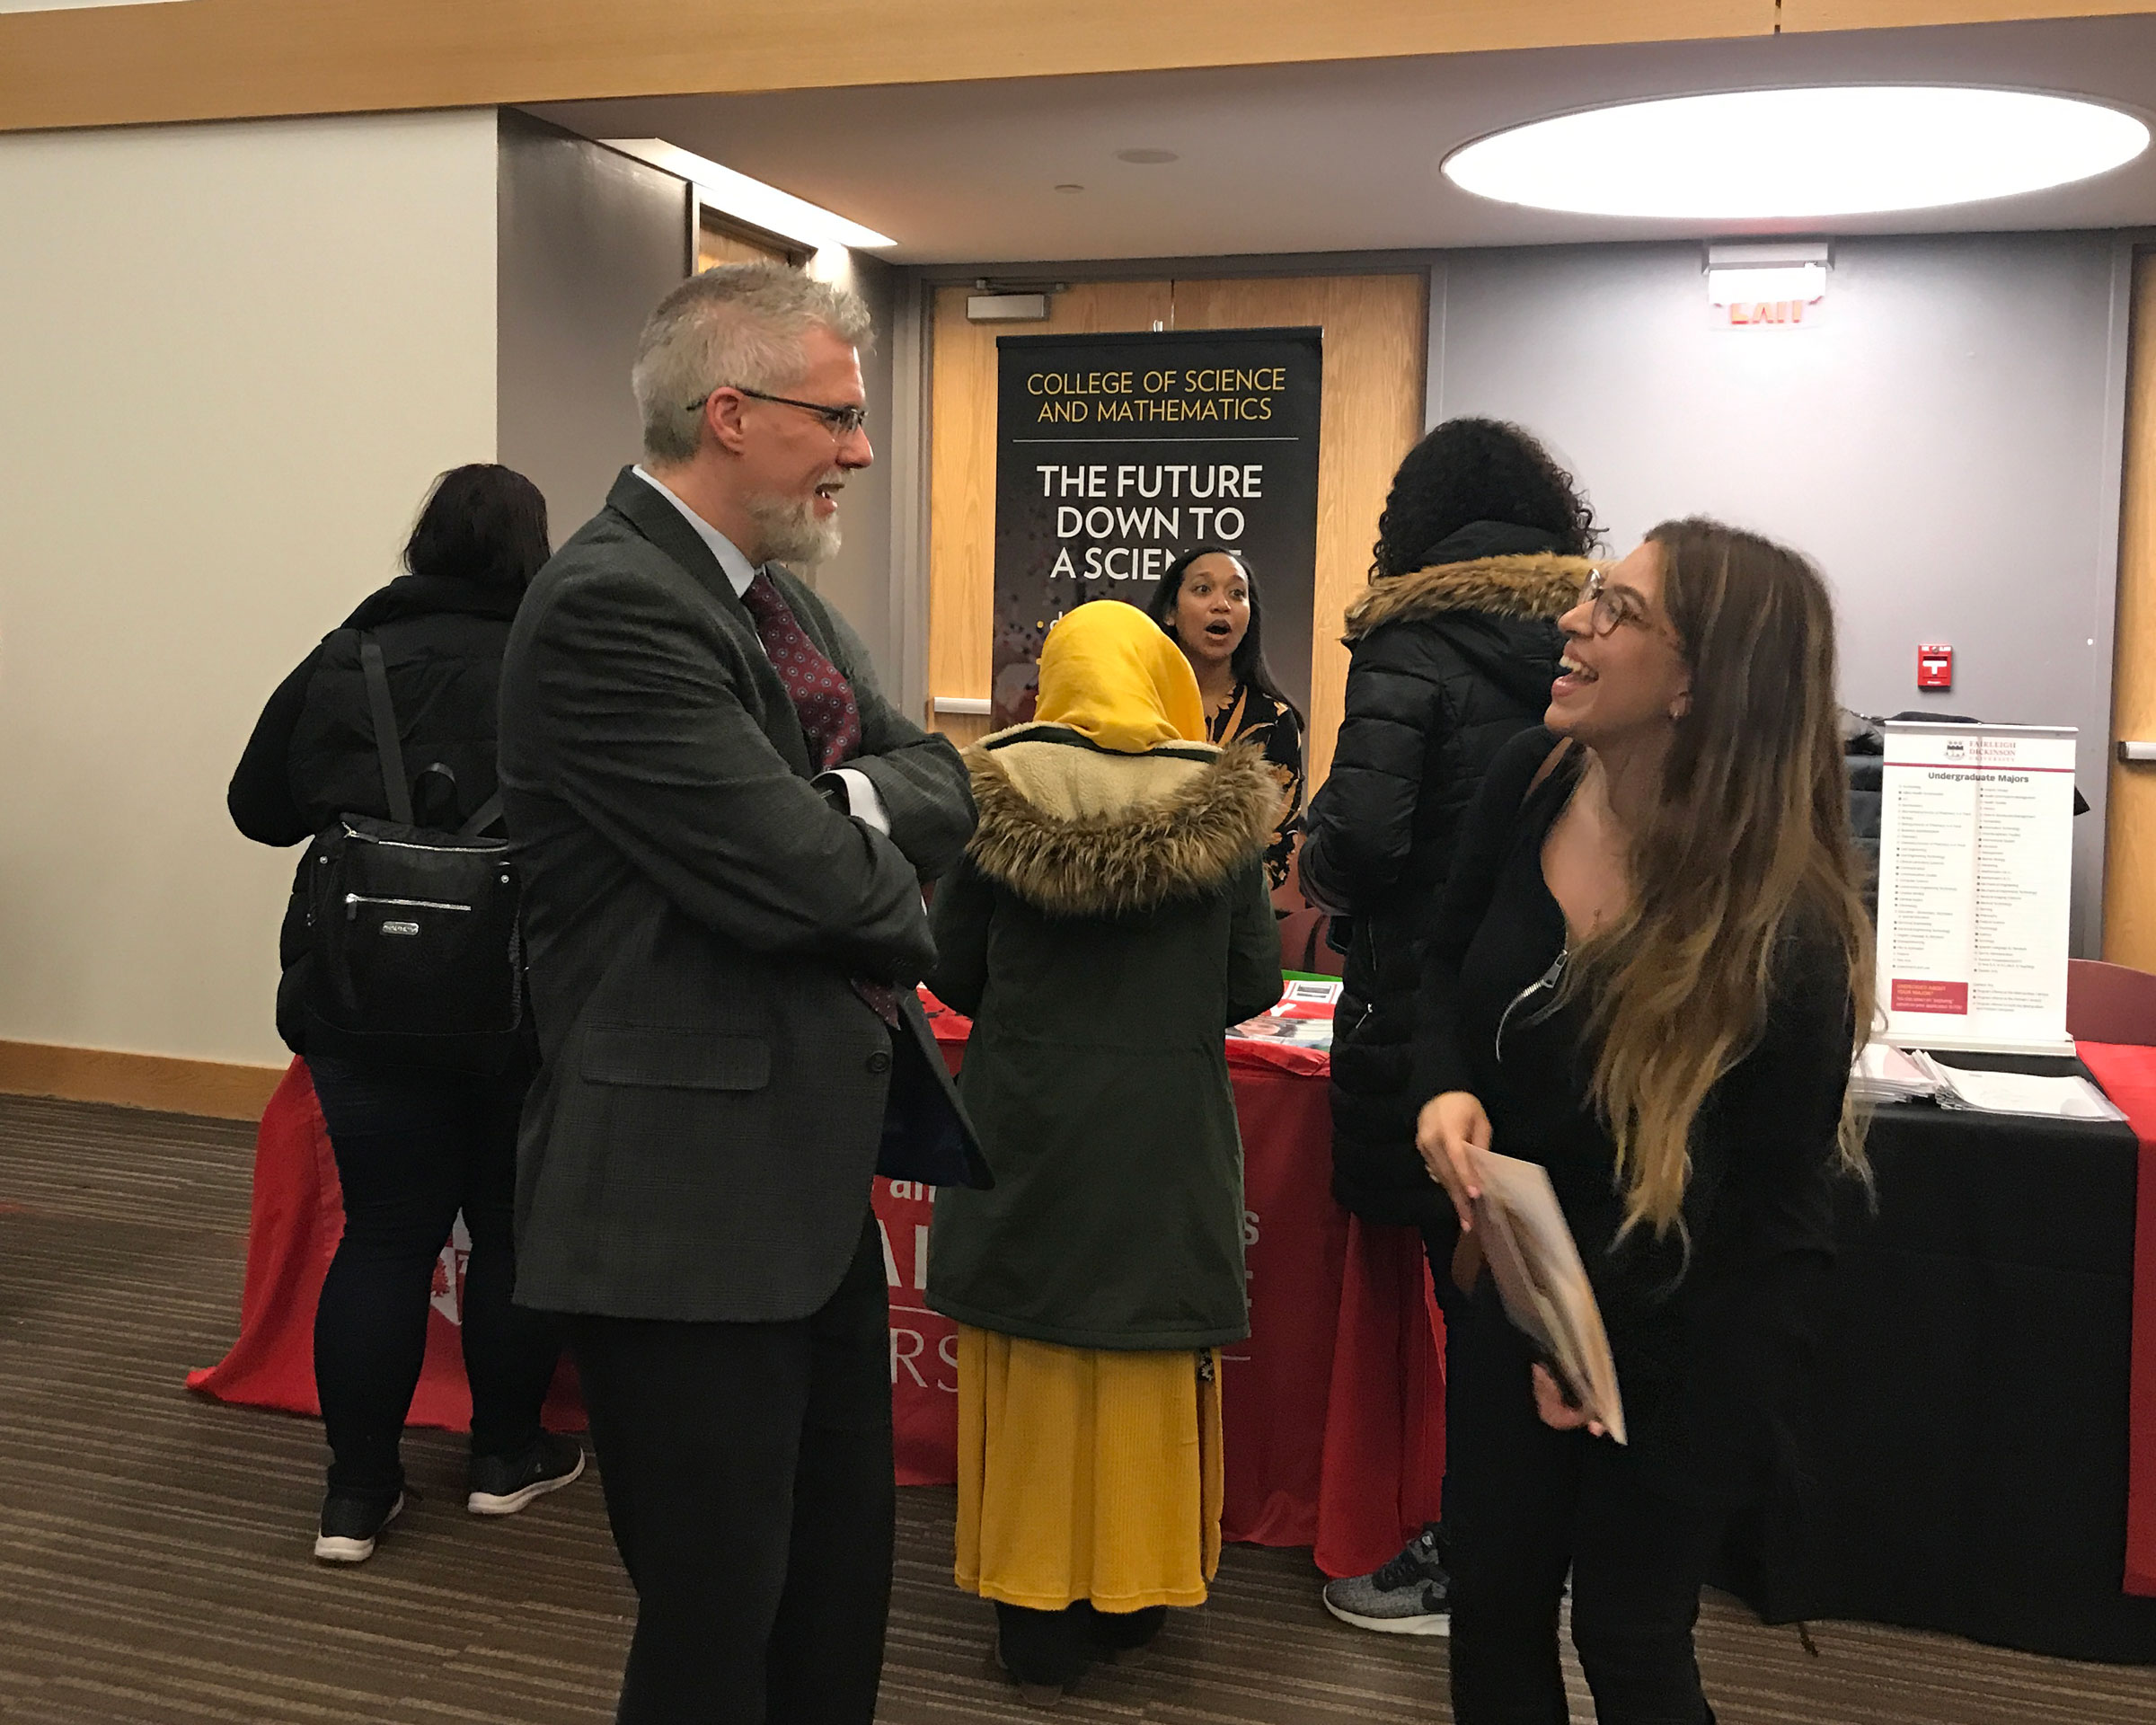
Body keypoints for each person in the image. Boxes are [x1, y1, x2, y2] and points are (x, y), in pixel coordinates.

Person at [496, 262, 985, 1725]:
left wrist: (831, 798)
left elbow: (943, 783)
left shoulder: (783, 606)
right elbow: (830, 888)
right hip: (678, 1204)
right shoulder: (609, 607)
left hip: (802, 1189)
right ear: (730, 412)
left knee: (836, 1595)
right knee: (717, 1621)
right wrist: (862, 851)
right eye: (836, 416)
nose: (862, 448)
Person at [1411, 518, 1873, 1723]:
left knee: (1629, 1640)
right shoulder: (1529, 779)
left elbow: (1777, 1223)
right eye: (1587, 596)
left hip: (1687, 1348)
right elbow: (1440, 971)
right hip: (1520, 1299)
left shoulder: (1788, 933)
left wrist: (1623, 1363)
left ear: (1700, 682)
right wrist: (1448, 1087)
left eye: (1617, 610)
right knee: (1495, 1614)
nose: (1572, 621)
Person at [923, 599, 1282, 1698]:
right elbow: (1254, 986)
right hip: (1165, 1134)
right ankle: (1133, 1600)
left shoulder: (991, 797)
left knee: (1031, 1358)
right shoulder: (1219, 810)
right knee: (1142, 1360)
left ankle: (1032, 1620)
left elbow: (952, 972)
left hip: (1025, 1123)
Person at [227, 463, 579, 1564]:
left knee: (383, 1234)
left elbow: (256, 811)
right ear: (536, 551)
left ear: (419, 545)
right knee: (513, 1234)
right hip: (525, 1000)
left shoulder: (349, 656)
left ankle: (355, 1496)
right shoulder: (562, 660)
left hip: (362, 998)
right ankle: (504, 1458)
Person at [1295, 418, 1598, 1632]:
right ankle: (1547, 1537)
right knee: (1539, 1285)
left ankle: (1475, 1556)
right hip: (1561, 1007)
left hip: (1427, 1007)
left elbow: (1362, 841)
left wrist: (1322, 863)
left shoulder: (1410, 639)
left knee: (1461, 1290)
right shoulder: (1598, 635)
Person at [1145, 545, 1305, 889]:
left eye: (1237, 594)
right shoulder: (1137, 704)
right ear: (1170, 612)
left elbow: (1276, 848)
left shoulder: (1273, 721)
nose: (1222, 604)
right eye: (1203, 590)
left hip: (1231, 919)